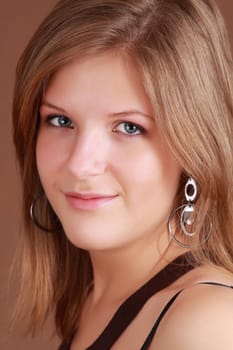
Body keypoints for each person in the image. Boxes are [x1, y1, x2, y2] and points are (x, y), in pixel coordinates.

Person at [12, 0, 233, 348]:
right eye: (61, 120)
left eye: (129, 127)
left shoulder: (206, 323)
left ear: (194, 149)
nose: (80, 164)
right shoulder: (93, 302)